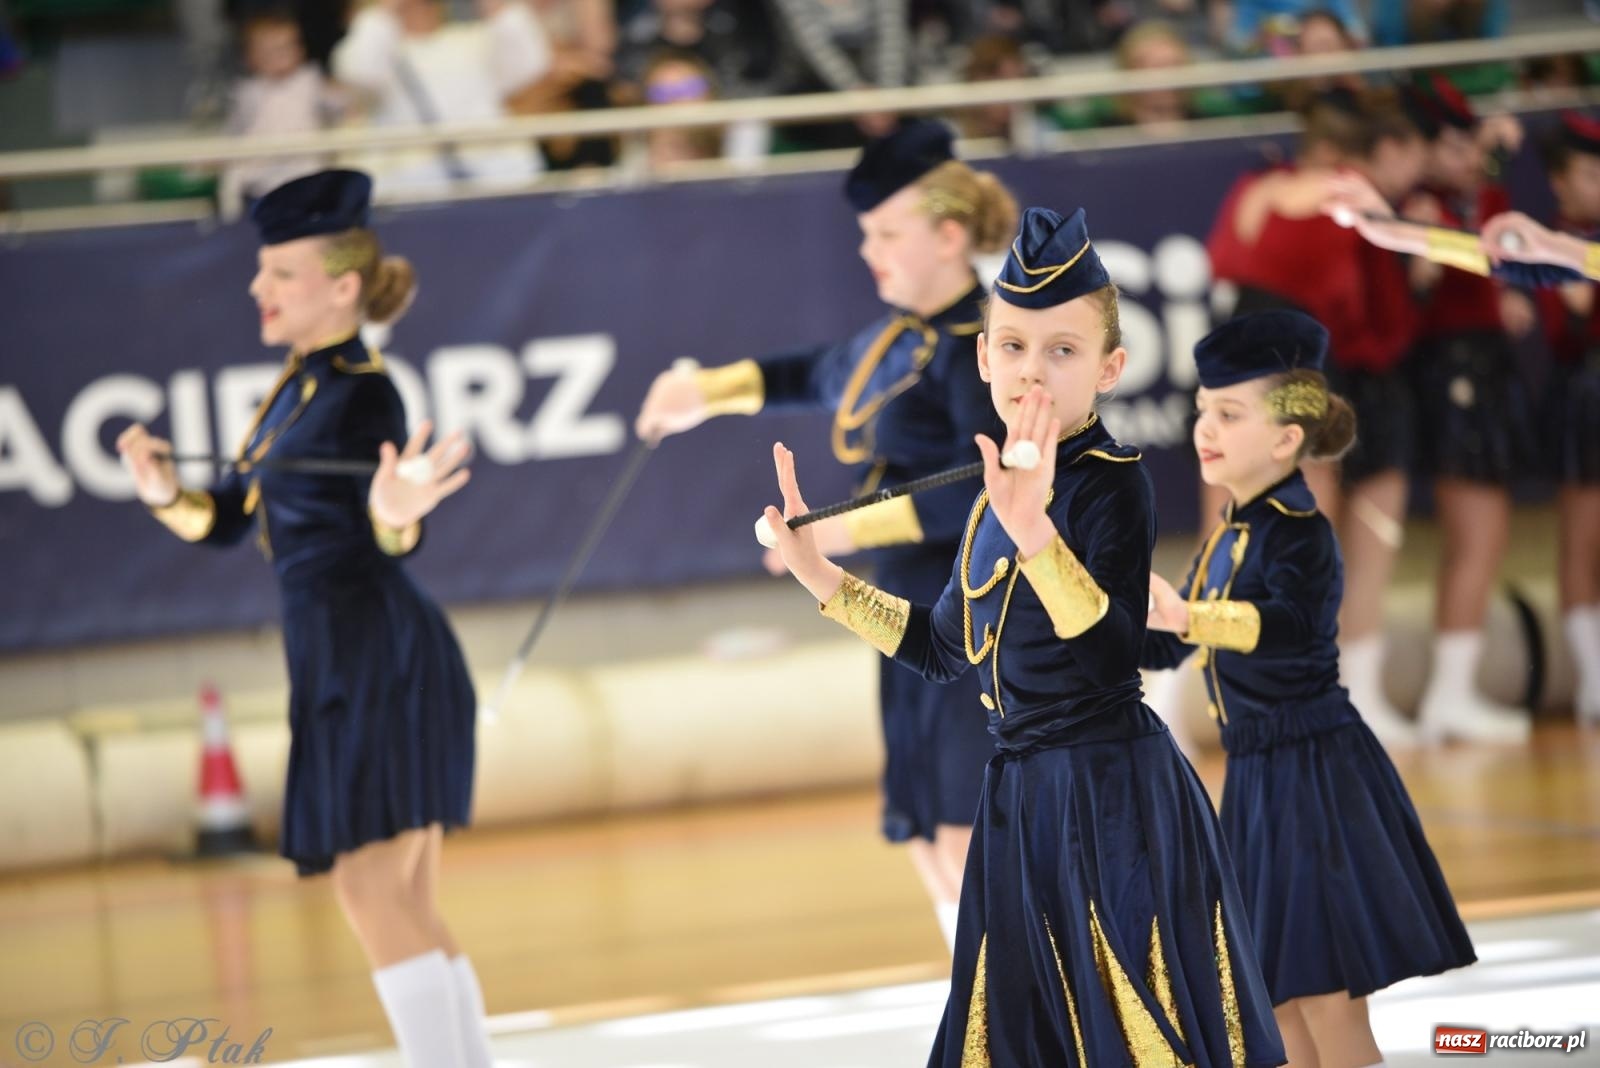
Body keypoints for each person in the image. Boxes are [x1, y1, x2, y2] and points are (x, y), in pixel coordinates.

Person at [763, 205, 1286, 1067]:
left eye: (1063, 351)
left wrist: (1038, 534)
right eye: (1012, 347)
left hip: (1111, 800)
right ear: (983, 355)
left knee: (1130, 1038)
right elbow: (941, 648)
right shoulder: (992, 492)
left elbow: (1116, 658)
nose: (1032, 373)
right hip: (1017, 802)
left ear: (1113, 367)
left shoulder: (1113, 485)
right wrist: (819, 569)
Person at [116, 170, 488, 1068]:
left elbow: (394, 529)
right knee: (406, 897)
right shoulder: (292, 391)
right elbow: (234, 519)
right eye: (263, 273)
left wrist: (398, 507)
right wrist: (166, 494)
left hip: (375, 651)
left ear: (342, 286)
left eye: (281, 274)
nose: (259, 289)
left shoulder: (366, 393)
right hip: (341, 653)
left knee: (370, 887)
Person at [636, 119, 1016, 951]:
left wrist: (837, 533)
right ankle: (977, 1011)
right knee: (921, 827)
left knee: (963, 824)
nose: (869, 252)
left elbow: (977, 497)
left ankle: (1017, 1019)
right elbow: (808, 372)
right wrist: (703, 390)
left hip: (970, 608)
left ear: (950, 236)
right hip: (900, 606)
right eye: (865, 235)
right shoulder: (894, 335)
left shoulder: (982, 347)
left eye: (887, 233)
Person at [1145, 310, 1477, 1067]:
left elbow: (1287, 625)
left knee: (1327, 999)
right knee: (1279, 998)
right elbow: (1167, 643)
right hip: (1259, 782)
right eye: (1202, 409)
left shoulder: (1299, 530)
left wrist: (1192, 613)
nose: (1205, 426)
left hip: (1313, 776)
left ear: (1287, 439)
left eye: (1228, 413)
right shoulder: (1229, 535)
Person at [1206, 89, 1427, 747]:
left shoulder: (1254, 190)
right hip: (1308, 369)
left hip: (1238, 367)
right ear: (1346, 151)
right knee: (1311, 542)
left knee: (1233, 540)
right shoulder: (1346, 192)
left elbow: (1224, 261)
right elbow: (1356, 304)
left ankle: (1173, 696)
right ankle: (1324, 694)